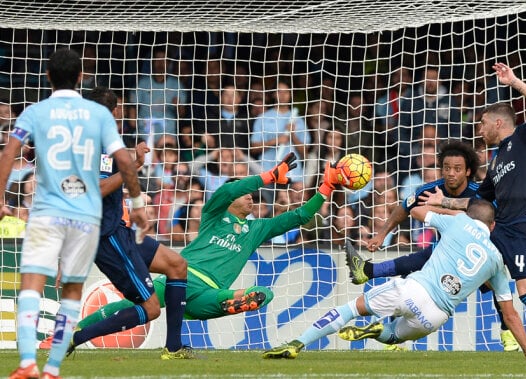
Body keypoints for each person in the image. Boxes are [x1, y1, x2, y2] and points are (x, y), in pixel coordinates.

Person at [52, 153, 349, 343]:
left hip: (210, 292)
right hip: (180, 278)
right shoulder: (213, 215)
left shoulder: (258, 229)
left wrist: (327, 187)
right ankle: (73, 331)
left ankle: (227, 302)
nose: (250, 199)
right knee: (132, 305)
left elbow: (301, 216)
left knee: (264, 294)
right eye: (246, 195)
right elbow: (228, 189)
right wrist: (267, 176)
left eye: (252, 196)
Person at [1, 48, 146, 379]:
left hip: (47, 211)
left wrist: (0, 200)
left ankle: (26, 364)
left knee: (31, 285)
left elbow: (9, 152)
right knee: (71, 291)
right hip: (86, 217)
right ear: (81, 77)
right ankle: (52, 368)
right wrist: (138, 206)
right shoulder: (98, 116)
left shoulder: (36, 112)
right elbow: (124, 162)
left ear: (48, 76)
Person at [421, 62, 526, 350]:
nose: (479, 128)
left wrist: (514, 82)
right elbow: (477, 201)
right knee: (459, 256)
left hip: (524, 225)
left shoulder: (525, 138)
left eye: (483, 122)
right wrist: (442, 201)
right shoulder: (496, 160)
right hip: (501, 229)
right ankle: (501, 325)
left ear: (498, 123)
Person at [262, 200, 526, 359]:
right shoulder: (497, 261)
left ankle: (297, 343)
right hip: (435, 317)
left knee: (351, 308)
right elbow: (510, 314)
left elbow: (416, 209)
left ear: (468, 216)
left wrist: (449, 208)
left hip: (414, 289)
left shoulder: (458, 221)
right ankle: (376, 330)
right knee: (393, 336)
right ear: (492, 226)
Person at [41, 86, 192, 360]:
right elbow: (96, 189)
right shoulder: (94, 145)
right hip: (108, 237)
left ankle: (174, 347)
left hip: (120, 231)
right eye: (118, 109)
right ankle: (75, 337)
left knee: (177, 265)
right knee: (151, 308)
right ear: (112, 112)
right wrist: (131, 166)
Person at [349, 139, 521, 351]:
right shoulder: (431, 189)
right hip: (446, 250)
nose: (451, 173)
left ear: (468, 171)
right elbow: (405, 208)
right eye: (447, 168)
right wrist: (382, 234)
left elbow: (494, 220)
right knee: (414, 274)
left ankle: (506, 331)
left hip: (482, 251)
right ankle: (392, 328)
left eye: (457, 169)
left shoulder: (481, 194)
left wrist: (442, 206)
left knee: (497, 285)